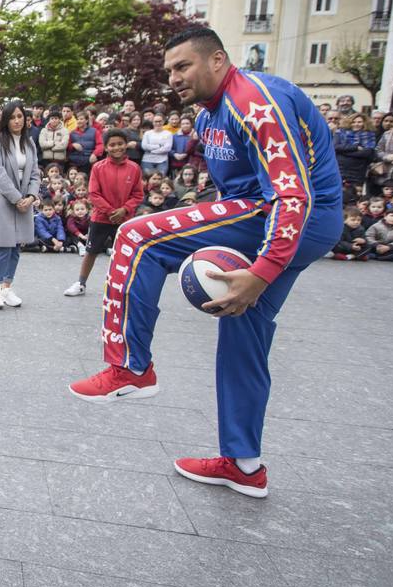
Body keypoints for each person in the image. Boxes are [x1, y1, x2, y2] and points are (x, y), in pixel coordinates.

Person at [68, 27, 342, 498]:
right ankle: (243, 463)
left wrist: (263, 270)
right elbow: (240, 188)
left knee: (138, 236)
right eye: (169, 70)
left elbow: (291, 194)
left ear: (217, 60)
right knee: (242, 327)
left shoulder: (255, 101)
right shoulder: (210, 113)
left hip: (293, 216)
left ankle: (130, 367)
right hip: (277, 217)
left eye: (183, 66)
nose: (174, 77)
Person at [65, 129, 143, 297]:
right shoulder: (98, 168)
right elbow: (94, 194)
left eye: (120, 144)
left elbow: (138, 194)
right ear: (106, 147)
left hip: (124, 220)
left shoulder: (134, 168)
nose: (117, 148)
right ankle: (81, 283)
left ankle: (123, 287)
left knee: (124, 254)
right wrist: (110, 212)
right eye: (112, 145)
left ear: (126, 145)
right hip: (101, 218)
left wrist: (124, 210)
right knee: (91, 251)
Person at [0, 101, 40, 309]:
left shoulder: (29, 143)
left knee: (17, 246)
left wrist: (31, 197)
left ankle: (6, 287)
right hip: (4, 200)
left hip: (25, 200)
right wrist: (17, 199)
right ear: (6, 120)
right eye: (13, 117)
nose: (17, 121)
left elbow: (35, 173)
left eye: (20, 116)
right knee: (3, 245)